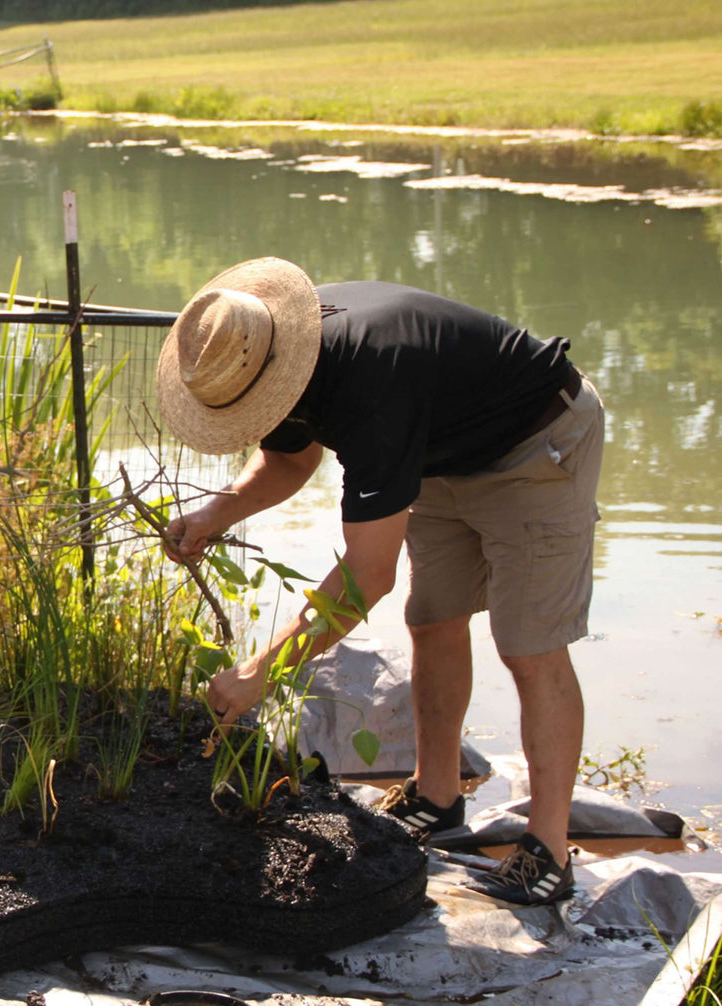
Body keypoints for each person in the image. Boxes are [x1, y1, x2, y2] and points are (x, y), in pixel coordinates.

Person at [158, 257, 604, 906]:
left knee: (529, 647)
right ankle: (437, 796)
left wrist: (264, 670)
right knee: (433, 618)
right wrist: (215, 511)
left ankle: (548, 851)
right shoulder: (269, 348)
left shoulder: (372, 386)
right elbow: (289, 460)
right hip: (441, 449)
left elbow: (368, 577)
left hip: (536, 441)